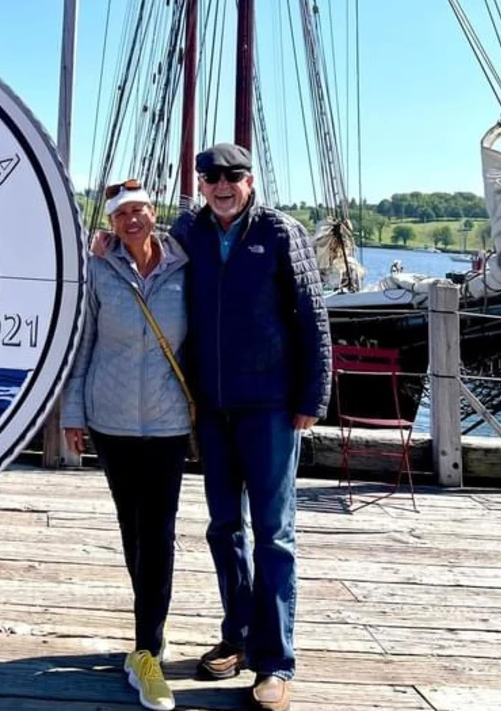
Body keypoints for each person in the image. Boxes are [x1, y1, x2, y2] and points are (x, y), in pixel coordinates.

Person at [170, 142, 331, 711]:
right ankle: (236, 635)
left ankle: (274, 662)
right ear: (201, 184)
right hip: (214, 406)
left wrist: (315, 393)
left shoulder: (280, 233)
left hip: (269, 405)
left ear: (250, 180)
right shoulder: (188, 231)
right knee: (223, 528)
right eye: (211, 176)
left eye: (232, 176)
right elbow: (154, 268)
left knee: (274, 533)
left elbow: (313, 315)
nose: (221, 184)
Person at [61, 179, 191, 711]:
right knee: (132, 529)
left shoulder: (185, 269)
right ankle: (147, 631)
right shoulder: (99, 270)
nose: (131, 221)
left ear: (152, 213)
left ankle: (147, 648)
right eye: (120, 215)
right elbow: (83, 341)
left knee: (159, 532)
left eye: (138, 211)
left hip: (167, 421)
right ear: (111, 223)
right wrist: (72, 413)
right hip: (111, 419)